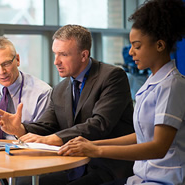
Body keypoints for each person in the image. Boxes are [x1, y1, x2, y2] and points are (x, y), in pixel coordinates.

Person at [0, 25, 134, 185]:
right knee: (24, 182)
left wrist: (53, 139)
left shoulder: (112, 77)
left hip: (106, 166)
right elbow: (47, 125)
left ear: (84, 55)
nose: (56, 61)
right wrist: (20, 129)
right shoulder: (60, 89)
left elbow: (99, 124)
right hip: (73, 165)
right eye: (55, 54)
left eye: (63, 55)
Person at [58, 0, 185, 184]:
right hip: (142, 178)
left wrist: (97, 150)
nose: (131, 52)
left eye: (137, 46)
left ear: (159, 45)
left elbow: (158, 147)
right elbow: (141, 136)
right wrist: (91, 144)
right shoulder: (152, 82)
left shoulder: (172, 85)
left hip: (164, 180)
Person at [0, 36, 52, 141]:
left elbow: (43, 135)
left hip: (25, 151)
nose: (2, 72)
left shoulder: (42, 92)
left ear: (17, 60)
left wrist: (19, 130)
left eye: (6, 64)